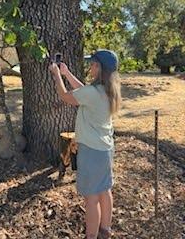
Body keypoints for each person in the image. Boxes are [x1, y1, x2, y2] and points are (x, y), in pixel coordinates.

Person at [49, 49, 121, 239]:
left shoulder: (92, 92)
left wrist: (57, 76)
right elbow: (83, 92)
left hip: (91, 152)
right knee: (104, 191)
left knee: (91, 199)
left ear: (99, 68)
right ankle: (105, 231)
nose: (90, 67)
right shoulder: (107, 90)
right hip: (105, 150)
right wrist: (66, 73)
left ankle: (91, 236)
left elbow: (66, 97)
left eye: (93, 64)